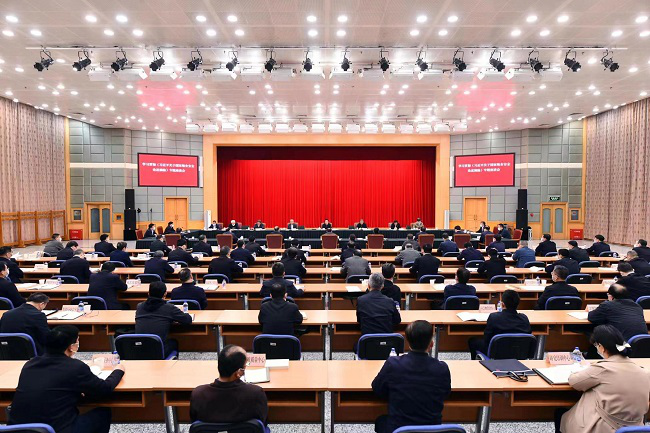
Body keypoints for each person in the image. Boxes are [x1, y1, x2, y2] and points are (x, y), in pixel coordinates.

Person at [8, 325, 125, 433]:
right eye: (77, 340)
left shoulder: (30, 364)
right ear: (71, 347)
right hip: (55, 430)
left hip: (17, 430)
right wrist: (118, 371)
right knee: (103, 413)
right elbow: (104, 389)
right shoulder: (75, 367)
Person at [556, 324, 650, 433]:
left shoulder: (602, 369)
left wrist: (579, 369)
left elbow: (574, 381)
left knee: (560, 414)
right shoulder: (644, 372)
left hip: (604, 428)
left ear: (601, 346)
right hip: (635, 428)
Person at [372, 320, 451, 433]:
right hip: (432, 430)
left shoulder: (393, 364)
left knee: (381, 421)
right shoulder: (441, 368)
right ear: (431, 344)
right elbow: (445, 393)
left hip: (399, 429)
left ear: (408, 342)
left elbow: (377, 389)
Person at [189, 345, 268, 424]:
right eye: (246, 365)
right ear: (238, 372)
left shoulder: (198, 394)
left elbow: (194, 420)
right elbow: (262, 421)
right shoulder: (255, 393)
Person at [468, 289, 531, 359]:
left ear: (502, 304)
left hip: (496, 353)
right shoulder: (524, 318)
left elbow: (487, 338)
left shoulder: (494, 317)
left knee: (472, 341)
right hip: (519, 353)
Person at [135, 281, 193, 357]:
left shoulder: (139, 306)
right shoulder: (169, 308)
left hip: (139, 349)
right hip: (158, 351)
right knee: (174, 342)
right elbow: (187, 320)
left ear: (148, 293)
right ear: (165, 294)